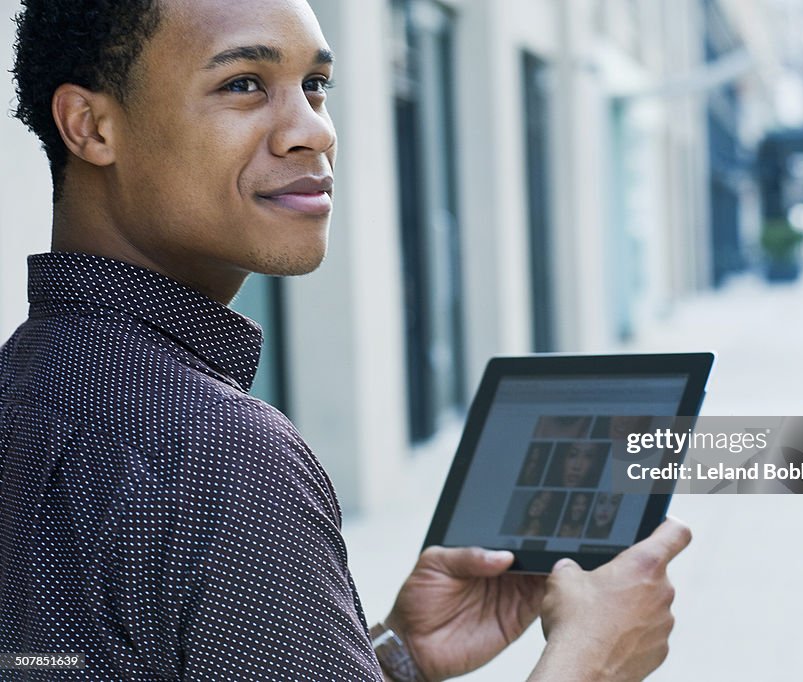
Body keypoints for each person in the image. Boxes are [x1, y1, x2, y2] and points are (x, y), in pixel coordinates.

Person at [0, 1, 693, 680]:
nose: (314, 131)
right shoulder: (219, 454)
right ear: (89, 127)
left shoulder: (27, 380)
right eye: (244, 84)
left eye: (315, 86)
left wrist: (394, 654)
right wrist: (591, 658)